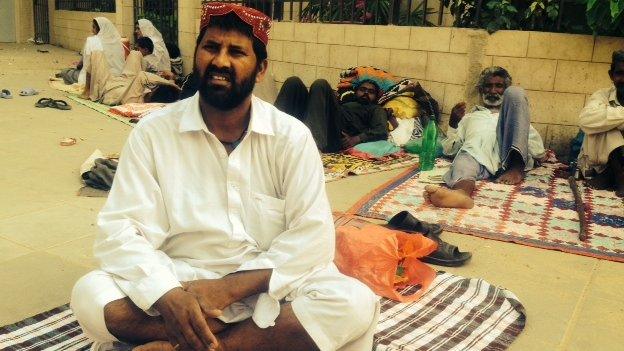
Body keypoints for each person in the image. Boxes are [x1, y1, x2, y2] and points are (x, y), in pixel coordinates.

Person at [70, 3, 379, 351]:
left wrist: (229, 287)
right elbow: (120, 229)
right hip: (180, 282)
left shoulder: (290, 137)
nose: (220, 61)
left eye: (236, 52)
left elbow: (313, 239)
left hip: (264, 289)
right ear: (198, 55)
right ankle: (234, 340)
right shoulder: (154, 133)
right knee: (90, 296)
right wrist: (167, 295)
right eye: (211, 48)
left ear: (260, 69)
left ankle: (182, 345)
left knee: (353, 302)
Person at [424, 66, 545, 209]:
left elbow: (537, 151)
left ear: (504, 90)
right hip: (476, 157)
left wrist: (533, 158)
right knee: (464, 159)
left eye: (499, 86)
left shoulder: (514, 117)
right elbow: (450, 150)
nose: (493, 91)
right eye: (488, 86)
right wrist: (453, 124)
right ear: (481, 90)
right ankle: (461, 194)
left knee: (516, 92)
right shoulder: (470, 117)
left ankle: (515, 168)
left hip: (507, 158)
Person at [274, 77, 389, 152]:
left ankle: (312, 148)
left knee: (321, 84)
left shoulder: (375, 109)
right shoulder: (345, 101)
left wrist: (356, 138)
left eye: (371, 92)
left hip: (333, 135)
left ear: (376, 97)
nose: (365, 93)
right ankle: (271, 134)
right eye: (362, 89)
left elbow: (381, 130)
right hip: (315, 122)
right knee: (293, 82)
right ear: (355, 91)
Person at [578, 50, 624, 197]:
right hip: (599, 164)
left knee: (609, 121)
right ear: (611, 75)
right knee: (610, 129)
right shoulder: (601, 95)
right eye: (620, 73)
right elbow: (585, 121)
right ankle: (618, 178)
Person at [81, 48, 180, 105]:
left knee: (97, 54)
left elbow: (143, 75)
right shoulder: (145, 94)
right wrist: (171, 80)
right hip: (127, 81)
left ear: (153, 94)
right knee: (135, 53)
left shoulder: (133, 101)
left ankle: (87, 90)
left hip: (107, 87)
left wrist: (168, 81)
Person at [57, 18, 125, 85]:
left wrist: (79, 66)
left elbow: (84, 65)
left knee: (65, 72)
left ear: (100, 29)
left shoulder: (92, 41)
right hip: (116, 76)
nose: (92, 30)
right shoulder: (118, 43)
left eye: (94, 27)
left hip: (94, 80)